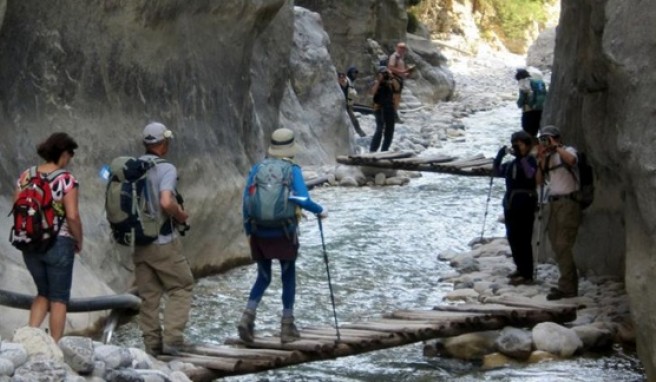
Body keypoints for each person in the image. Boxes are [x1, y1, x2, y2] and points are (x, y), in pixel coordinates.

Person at [238, 128, 327, 344]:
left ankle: (247, 318)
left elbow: (246, 202)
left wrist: (250, 231)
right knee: (288, 275)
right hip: (283, 232)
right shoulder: (292, 169)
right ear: (290, 148)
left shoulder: (257, 168)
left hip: (259, 232)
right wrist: (320, 210)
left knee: (264, 276)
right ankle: (287, 327)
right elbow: (302, 199)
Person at [15, 132, 82, 342]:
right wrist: (78, 239)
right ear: (63, 153)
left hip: (29, 242)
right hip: (59, 242)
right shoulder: (66, 179)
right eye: (70, 153)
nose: (70, 158)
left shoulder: (26, 175)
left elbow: (17, 207)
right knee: (59, 298)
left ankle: (26, 341)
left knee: (42, 293)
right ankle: (54, 346)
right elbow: (72, 216)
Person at [134, 122, 194, 356]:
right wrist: (181, 214)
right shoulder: (166, 168)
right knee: (182, 286)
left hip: (139, 242)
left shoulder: (133, 166)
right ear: (163, 143)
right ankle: (173, 340)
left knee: (149, 296)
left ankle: (152, 346)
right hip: (162, 241)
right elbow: (166, 202)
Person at [535, 125, 581, 300]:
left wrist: (557, 147)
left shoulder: (567, 150)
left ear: (557, 138)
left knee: (563, 244)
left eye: (548, 138)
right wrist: (541, 159)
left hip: (569, 202)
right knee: (556, 243)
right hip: (554, 203)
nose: (546, 142)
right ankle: (566, 283)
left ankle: (568, 287)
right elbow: (539, 181)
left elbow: (572, 161)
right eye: (543, 139)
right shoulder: (547, 158)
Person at [493, 131, 538, 286]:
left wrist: (522, 158)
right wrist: (499, 156)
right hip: (511, 204)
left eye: (519, 144)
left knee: (524, 239)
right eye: (515, 144)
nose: (517, 147)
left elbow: (530, 175)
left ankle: (527, 273)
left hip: (526, 203)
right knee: (513, 238)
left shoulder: (531, 160)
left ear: (527, 145)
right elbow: (497, 171)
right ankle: (520, 268)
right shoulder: (511, 164)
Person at [369, 66, 398, 152]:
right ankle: (373, 150)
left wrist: (391, 76)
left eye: (385, 73)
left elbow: (397, 88)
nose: (385, 75)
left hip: (389, 108)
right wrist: (379, 80)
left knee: (390, 130)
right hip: (379, 108)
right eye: (383, 73)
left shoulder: (390, 82)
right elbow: (372, 92)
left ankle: (384, 150)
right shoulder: (376, 82)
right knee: (380, 128)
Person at [515, 68, 547, 137]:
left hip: (532, 111)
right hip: (532, 111)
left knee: (531, 131)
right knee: (530, 130)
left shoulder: (534, 84)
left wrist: (533, 106)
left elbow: (540, 98)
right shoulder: (526, 86)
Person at [387, 42, 413, 124]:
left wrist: (406, 73)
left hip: (399, 79)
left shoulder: (400, 58)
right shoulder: (394, 56)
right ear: (397, 48)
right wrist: (403, 71)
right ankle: (393, 116)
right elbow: (390, 67)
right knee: (395, 98)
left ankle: (394, 115)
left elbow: (400, 70)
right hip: (395, 79)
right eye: (400, 48)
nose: (402, 50)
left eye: (403, 48)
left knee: (397, 98)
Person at [338, 67, 366, 137]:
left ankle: (359, 132)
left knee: (352, 119)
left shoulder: (350, 82)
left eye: (356, 74)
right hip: (343, 104)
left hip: (347, 104)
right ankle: (359, 132)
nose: (355, 75)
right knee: (352, 119)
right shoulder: (346, 80)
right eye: (354, 73)